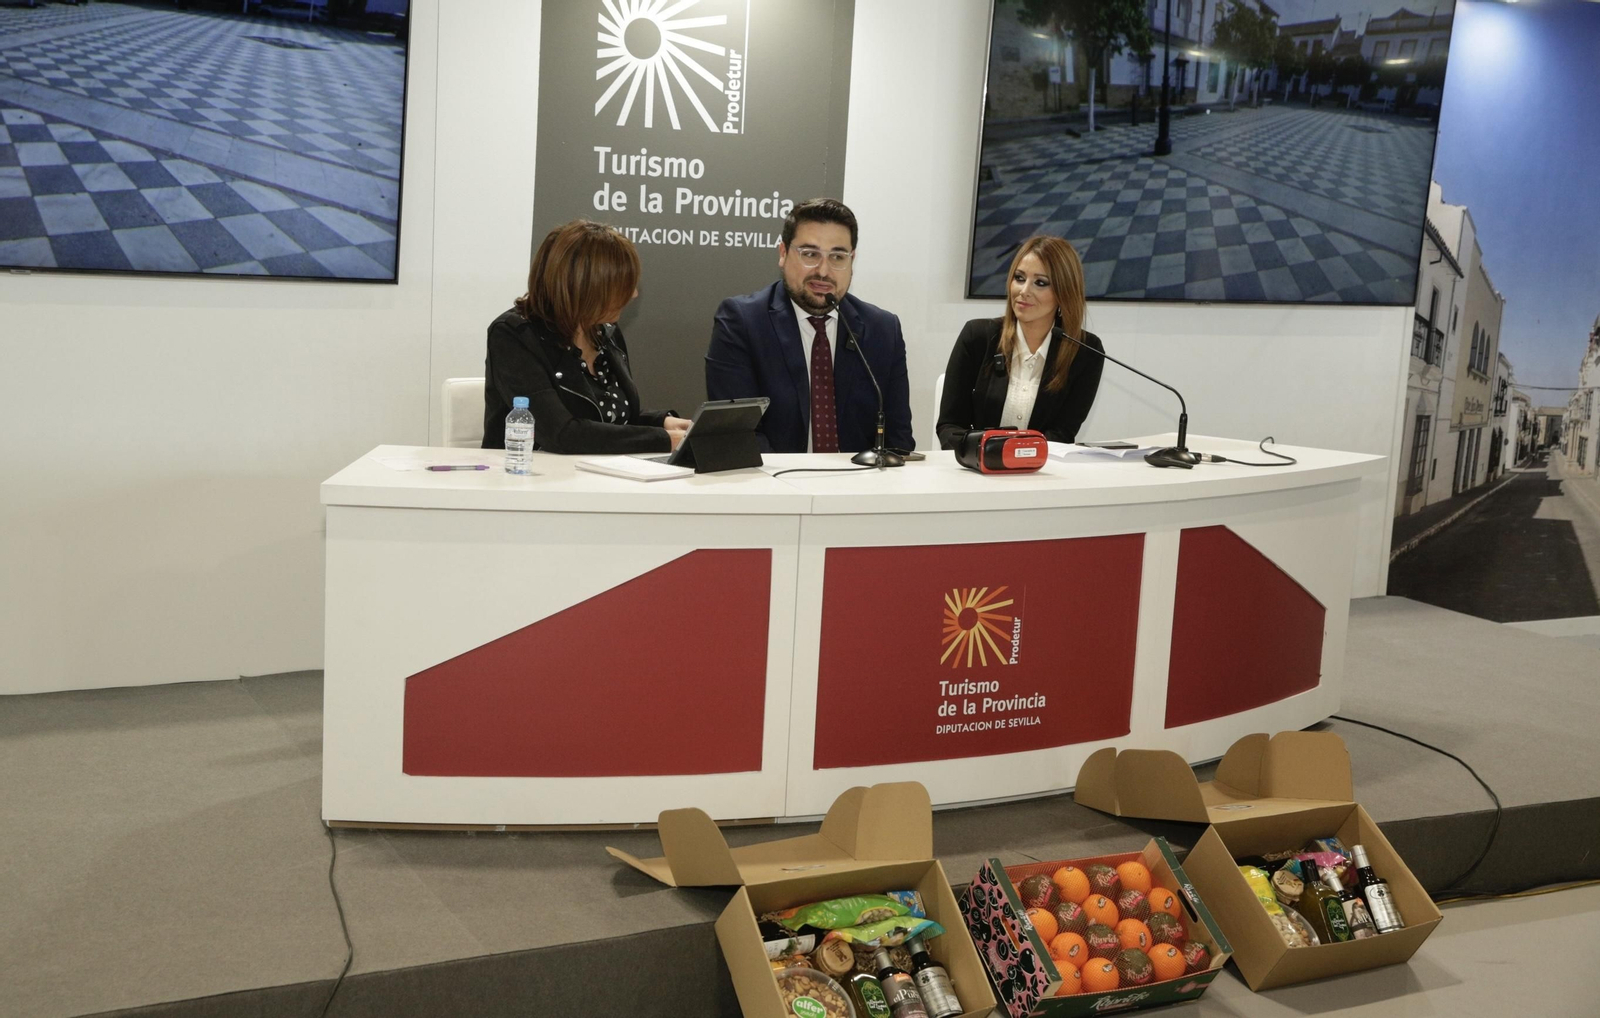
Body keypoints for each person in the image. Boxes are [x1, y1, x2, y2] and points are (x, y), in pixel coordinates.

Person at [705, 198, 913, 454]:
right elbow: (737, 435)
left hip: (857, 487)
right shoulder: (742, 322)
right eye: (810, 254)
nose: (823, 271)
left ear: (852, 260)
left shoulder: (883, 330)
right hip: (774, 486)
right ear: (783, 253)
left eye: (837, 256)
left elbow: (898, 440)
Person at [482, 220, 691, 454]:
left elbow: (602, 419)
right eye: (621, 286)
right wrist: (664, 439)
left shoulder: (605, 331)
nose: (633, 294)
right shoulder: (514, 335)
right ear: (586, 286)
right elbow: (560, 432)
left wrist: (660, 422)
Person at [936, 235, 1104, 449]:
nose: (1024, 291)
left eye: (1040, 283)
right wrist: (985, 457)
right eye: (1019, 278)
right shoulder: (977, 336)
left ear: (1064, 292)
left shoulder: (1086, 351)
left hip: (1040, 473)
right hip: (976, 470)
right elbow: (950, 425)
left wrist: (1020, 460)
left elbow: (1062, 433)